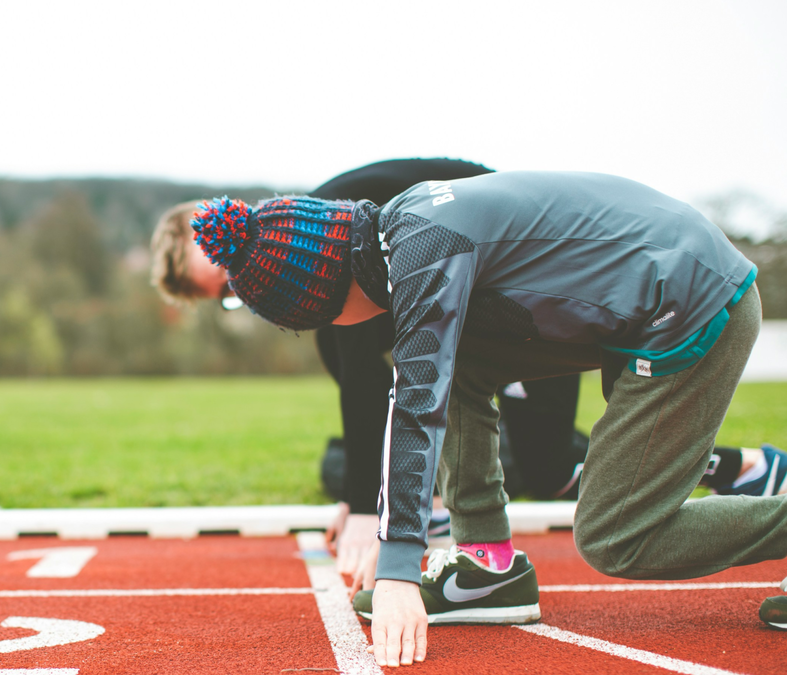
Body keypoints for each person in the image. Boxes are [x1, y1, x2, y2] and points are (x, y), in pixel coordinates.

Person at [186, 171, 787, 666]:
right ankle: (487, 566)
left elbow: (416, 408)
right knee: (460, 364)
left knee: (616, 534)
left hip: (694, 304)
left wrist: (398, 570)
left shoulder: (422, 255)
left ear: (326, 297)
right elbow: (430, 381)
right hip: (653, 287)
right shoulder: (404, 224)